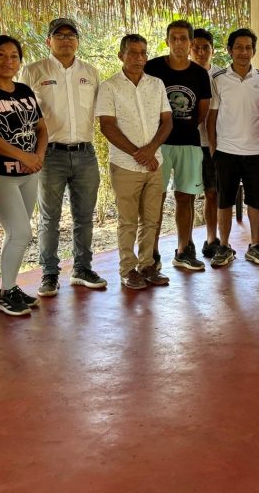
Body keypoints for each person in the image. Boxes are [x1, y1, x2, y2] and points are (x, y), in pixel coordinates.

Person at [20, 17, 107, 296]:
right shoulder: (33, 71)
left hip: (85, 154)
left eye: (71, 35)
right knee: (49, 218)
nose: (66, 39)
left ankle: (82, 268)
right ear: (49, 41)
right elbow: (23, 116)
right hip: (50, 156)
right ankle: (49, 274)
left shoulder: (91, 72)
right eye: (60, 35)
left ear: (78, 41)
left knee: (84, 216)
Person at [0, 35, 48, 315]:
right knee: (20, 231)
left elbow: (41, 128)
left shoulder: (24, 90)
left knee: (15, 233)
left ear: (20, 61)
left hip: (29, 173)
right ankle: (4, 292)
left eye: (14, 56)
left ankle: (10, 287)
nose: (8, 61)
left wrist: (38, 157)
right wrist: (23, 156)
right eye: (0, 55)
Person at [97, 34, 173, 290]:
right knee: (128, 221)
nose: (139, 58)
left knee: (152, 219)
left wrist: (151, 151)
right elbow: (106, 126)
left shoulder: (157, 84)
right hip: (125, 165)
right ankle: (128, 269)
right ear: (121, 55)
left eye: (143, 53)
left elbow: (167, 121)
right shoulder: (109, 87)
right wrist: (137, 153)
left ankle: (147, 265)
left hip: (154, 163)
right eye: (133, 53)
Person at [144, 20, 212, 272]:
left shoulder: (199, 73)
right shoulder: (152, 68)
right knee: (155, 198)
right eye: (174, 38)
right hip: (158, 144)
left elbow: (202, 112)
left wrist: (182, 125)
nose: (179, 43)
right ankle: (150, 252)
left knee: (185, 197)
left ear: (191, 43)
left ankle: (184, 249)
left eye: (184, 38)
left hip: (189, 143)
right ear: (167, 41)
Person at [205, 28, 259, 268]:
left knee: (255, 201)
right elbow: (211, 117)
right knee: (224, 201)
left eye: (248, 48)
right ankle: (224, 246)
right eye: (239, 47)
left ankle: (255, 246)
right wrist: (214, 147)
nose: (244, 52)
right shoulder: (219, 79)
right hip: (226, 152)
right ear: (230, 50)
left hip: (257, 151)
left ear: (254, 51)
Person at [191, 28, 222, 259]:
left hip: (215, 144)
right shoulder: (182, 73)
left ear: (212, 50)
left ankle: (212, 238)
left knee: (212, 193)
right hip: (188, 144)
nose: (201, 52)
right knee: (186, 194)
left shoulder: (220, 77)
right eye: (196, 47)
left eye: (205, 48)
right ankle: (186, 241)